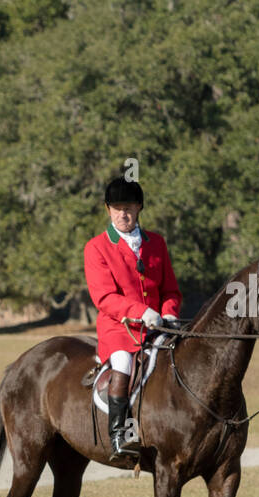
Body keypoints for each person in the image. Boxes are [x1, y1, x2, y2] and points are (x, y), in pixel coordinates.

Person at [82, 177, 182, 461]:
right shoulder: (96, 247)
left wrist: (169, 312)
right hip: (119, 328)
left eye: (128, 208)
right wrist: (141, 312)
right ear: (108, 210)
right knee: (124, 363)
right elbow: (104, 297)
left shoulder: (157, 243)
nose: (122, 214)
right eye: (116, 208)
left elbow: (171, 290)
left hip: (159, 326)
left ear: (139, 208)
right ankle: (119, 435)